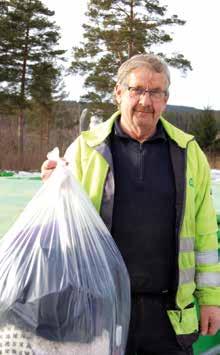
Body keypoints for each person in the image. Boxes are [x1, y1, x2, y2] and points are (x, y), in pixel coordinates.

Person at [41, 54, 220, 355]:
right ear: (118, 93)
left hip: (168, 316)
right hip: (99, 313)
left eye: (155, 92)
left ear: (166, 99)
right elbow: (60, 225)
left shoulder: (188, 153)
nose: (145, 102)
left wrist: (212, 299)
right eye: (137, 90)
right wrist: (51, 182)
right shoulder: (87, 150)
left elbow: (204, 237)